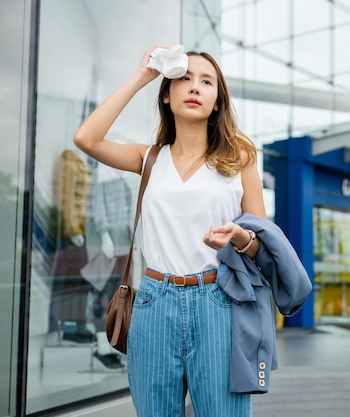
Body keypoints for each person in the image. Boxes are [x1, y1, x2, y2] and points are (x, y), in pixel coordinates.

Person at [73, 44, 266, 416]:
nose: (195, 87)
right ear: (166, 94)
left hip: (219, 302)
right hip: (154, 303)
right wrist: (143, 75)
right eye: (184, 78)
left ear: (216, 101)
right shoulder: (149, 158)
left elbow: (263, 244)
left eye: (206, 81)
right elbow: (86, 139)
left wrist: (240, 237)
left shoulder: (240, 159)